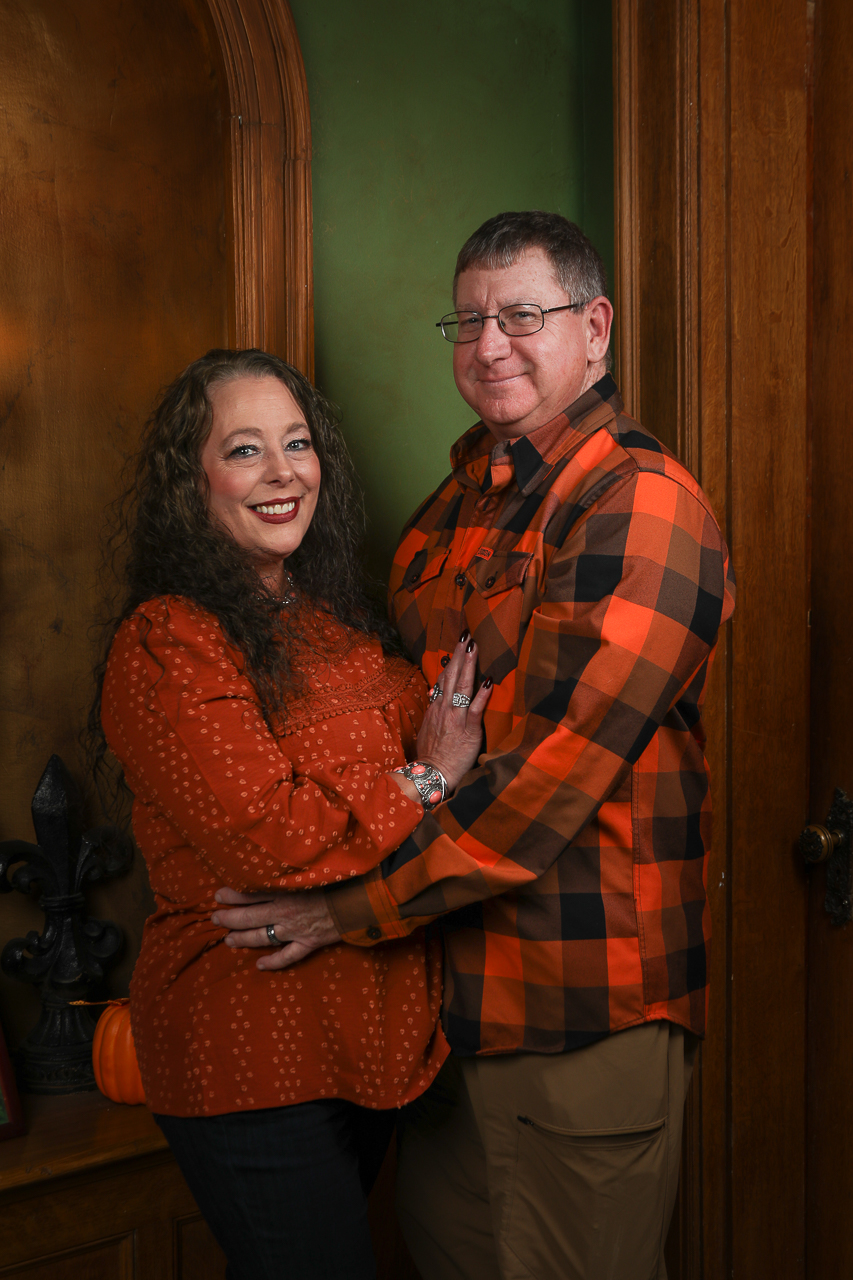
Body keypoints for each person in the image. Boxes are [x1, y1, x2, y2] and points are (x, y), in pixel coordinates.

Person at [214, 212, 736, 1280]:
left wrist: (341, 909)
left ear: (594, 330)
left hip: (579, 1007)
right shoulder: (449, 509)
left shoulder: (638, 504)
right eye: (470, 319)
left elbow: (546, 781)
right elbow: (386, 721)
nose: (490, 344)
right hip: (444, 1010)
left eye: (523, 316)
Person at [92, 347, 492, 1280]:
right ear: (191, 482)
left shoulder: (334, 620)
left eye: (297, 443)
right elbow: (266, 837)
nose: (282, 473)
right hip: (250, 1045)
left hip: (381, 1042)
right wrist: (427, 777)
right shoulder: (169, 639)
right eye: (244, 450)